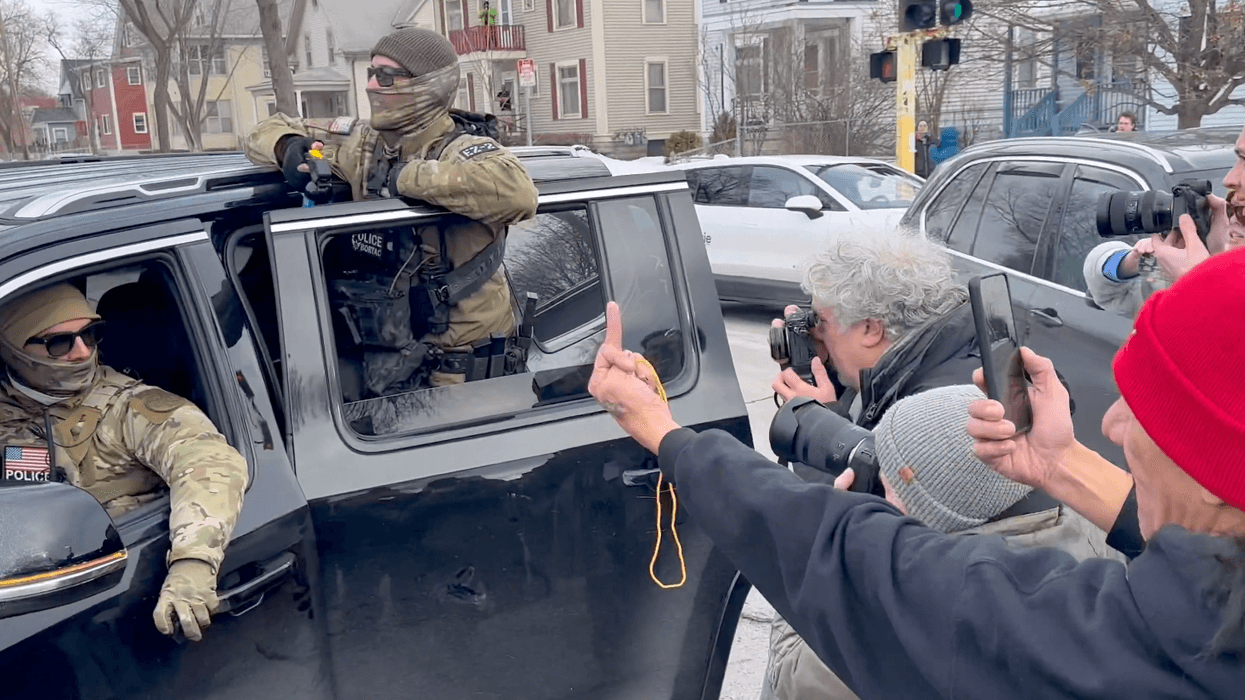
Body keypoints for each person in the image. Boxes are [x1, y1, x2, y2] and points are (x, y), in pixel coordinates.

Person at [588, 251, 1245, 698]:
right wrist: (1061, 464)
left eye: (1147, 413)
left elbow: (870, 571)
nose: (1111, 426)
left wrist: (663, 432)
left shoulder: (1162, 645)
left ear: (1217, 470)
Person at [763, 385, 1122, 700]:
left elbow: (790, 679)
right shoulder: (1098, 534)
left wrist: (831, 545)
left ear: (925, 513)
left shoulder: (910, 615)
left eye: (884, 482)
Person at [245, 28, 538, 393]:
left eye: (385, 76)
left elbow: (518, 193)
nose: (371, 85)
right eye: (371, 73)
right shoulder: (365, 144)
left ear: (427, 85)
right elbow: (265, 128)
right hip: (389, 365)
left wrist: (404, 178)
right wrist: (287, 146)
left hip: (464, 378)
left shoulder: (461, 149)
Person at [0, 283, 249, 642]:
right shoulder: (7, 411)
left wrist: (192, 563)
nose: (83, 352)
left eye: (90, 334)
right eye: (60, 343)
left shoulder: (131, 408)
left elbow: (210, 463)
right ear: (13, 350)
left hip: (114, 606)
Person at [771, 232, 977, 434]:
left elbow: (870, 467)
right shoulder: (950, 349)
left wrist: (817, 422)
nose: (816, 332)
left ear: (870, 329)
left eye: (821, 321)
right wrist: (818, 370)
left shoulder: (927, 414)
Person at [1084, 125, 1245, 316]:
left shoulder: (1201, 281)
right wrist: (1137, 261)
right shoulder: (1203, 262)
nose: (1229, 179)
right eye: (1234, 210)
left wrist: (1199, 282)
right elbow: (1110, 290)